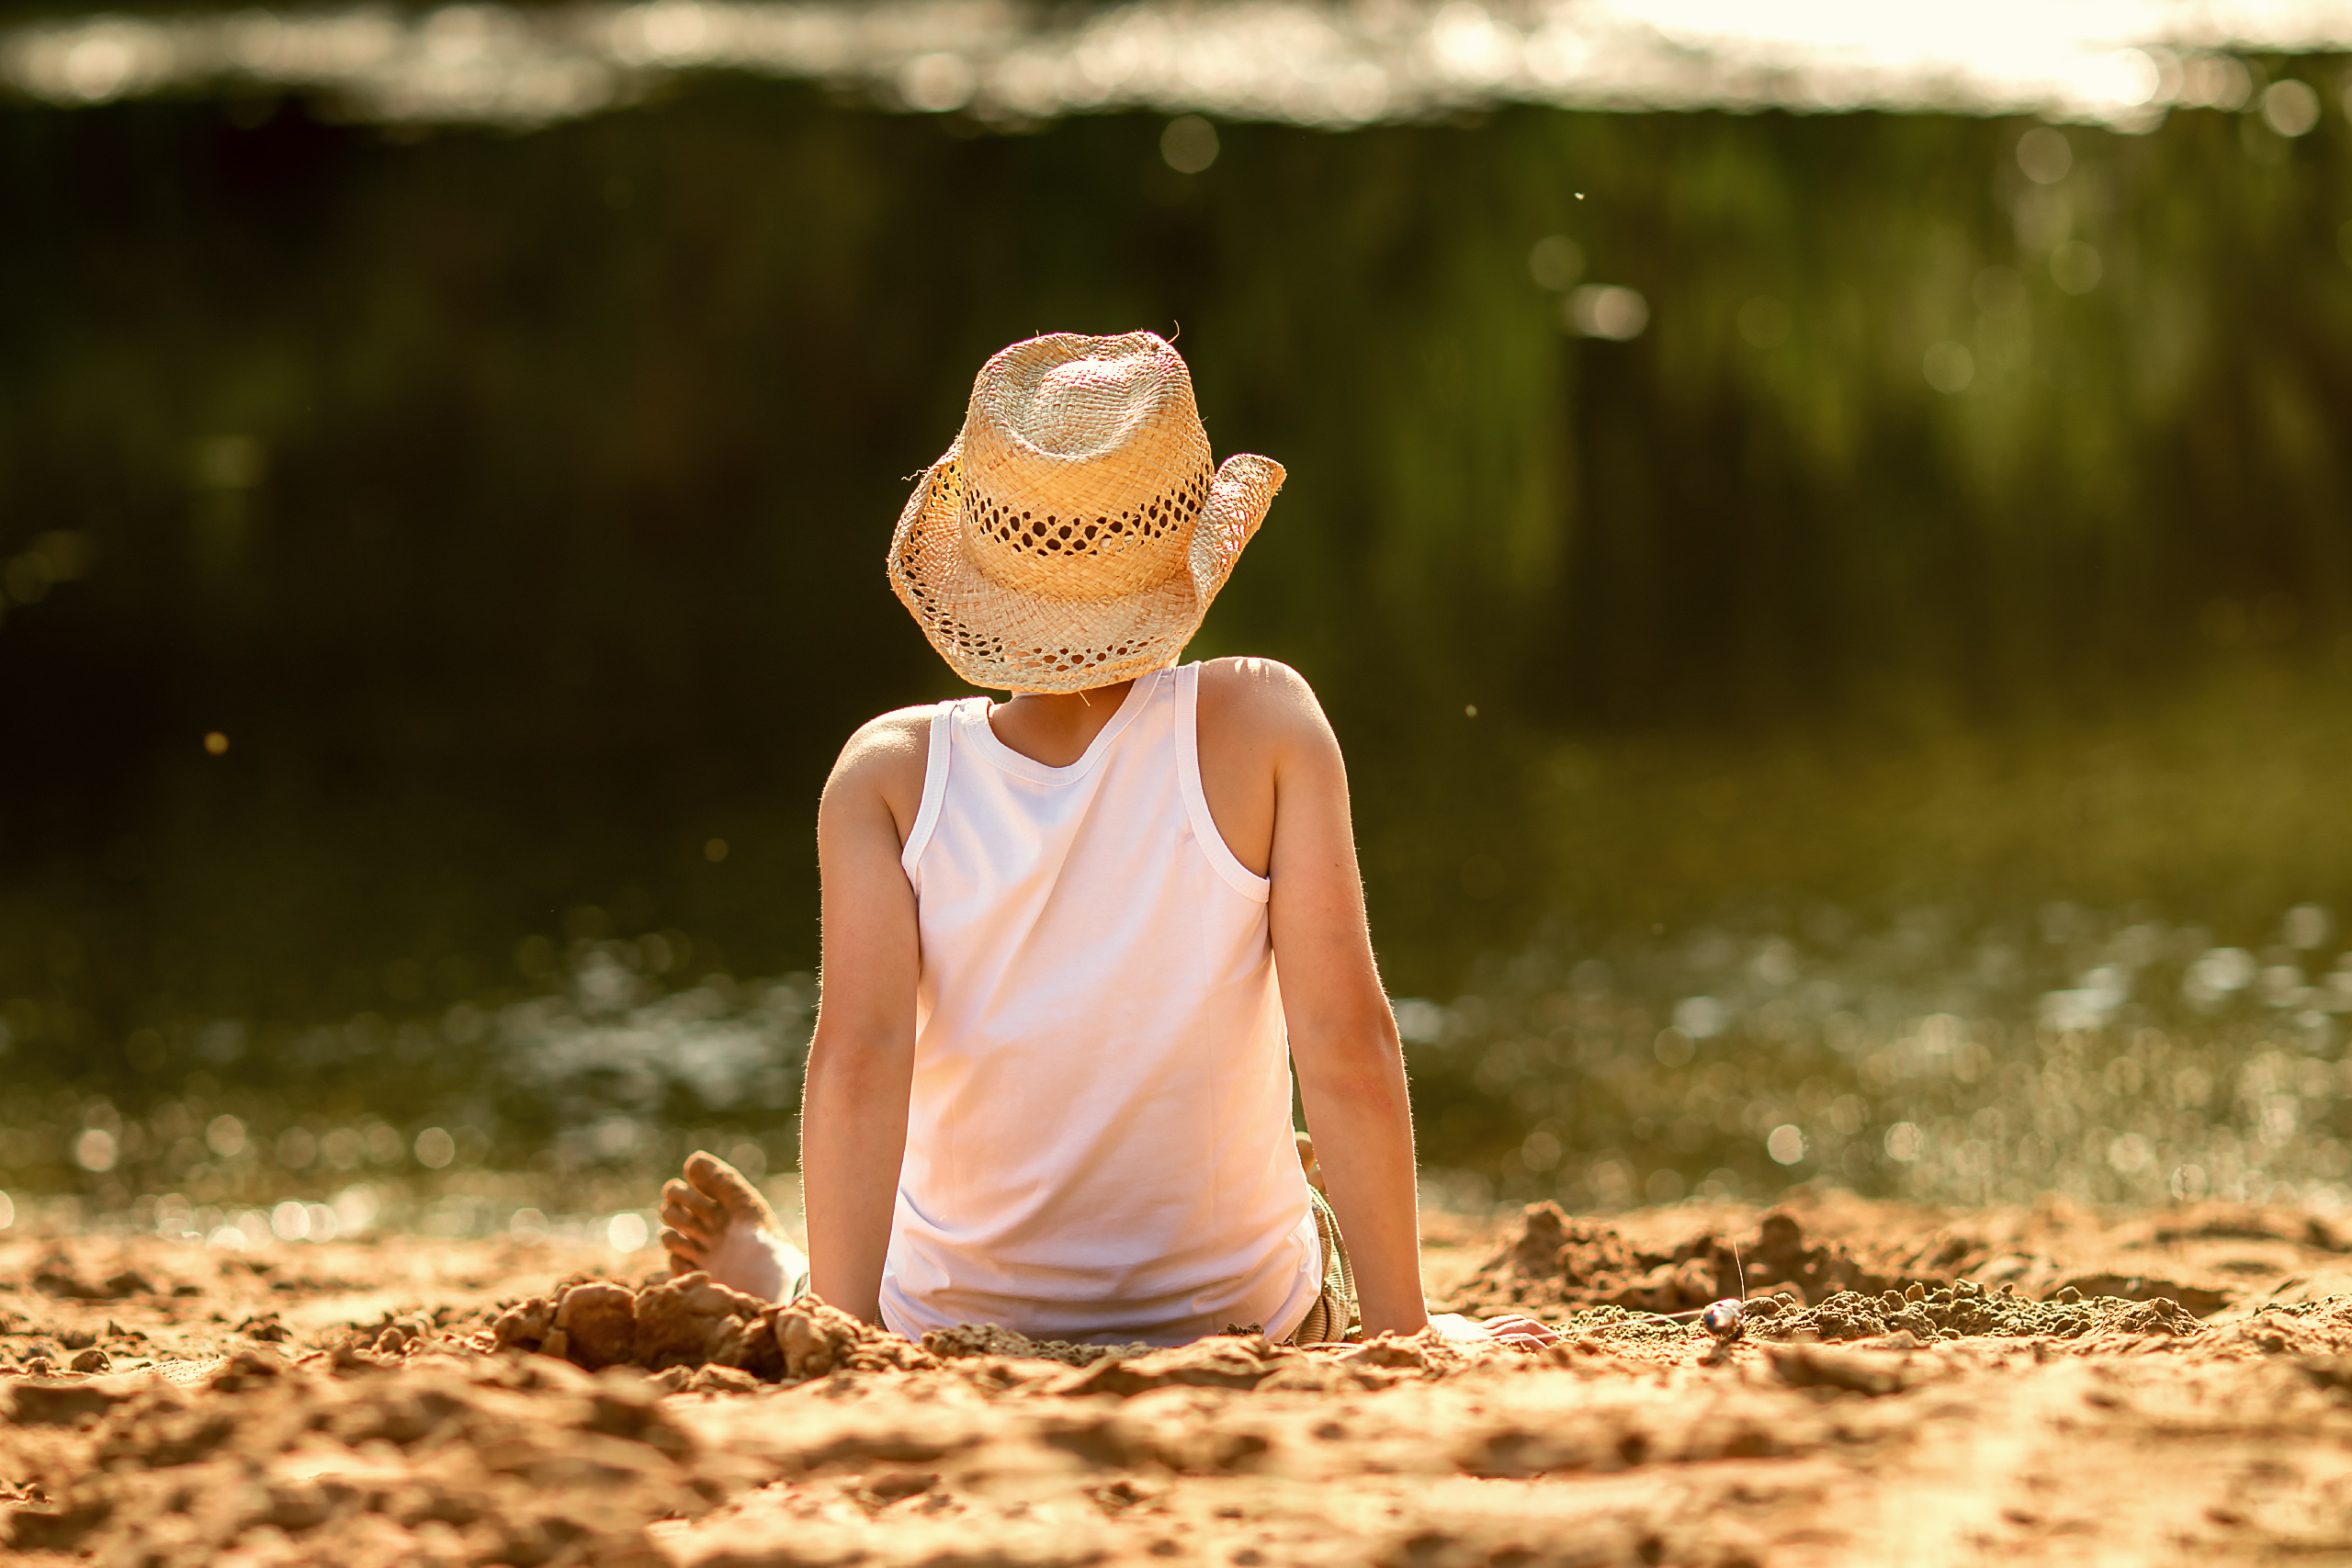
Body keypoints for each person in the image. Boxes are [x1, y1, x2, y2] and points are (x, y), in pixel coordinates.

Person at [658, 331, 1550, 1348]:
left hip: (950, 1323)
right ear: (1187, 548)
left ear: (984, 560)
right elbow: (1345, 1042)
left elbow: (858, 1060)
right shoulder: (1265, 722)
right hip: (1241, 1319)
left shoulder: (889, 774)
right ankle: (1289, 1213)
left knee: (885, 1245)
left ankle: (803, 1287)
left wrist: (843, 1339)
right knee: (1291, 1172)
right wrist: (1408, 1334)